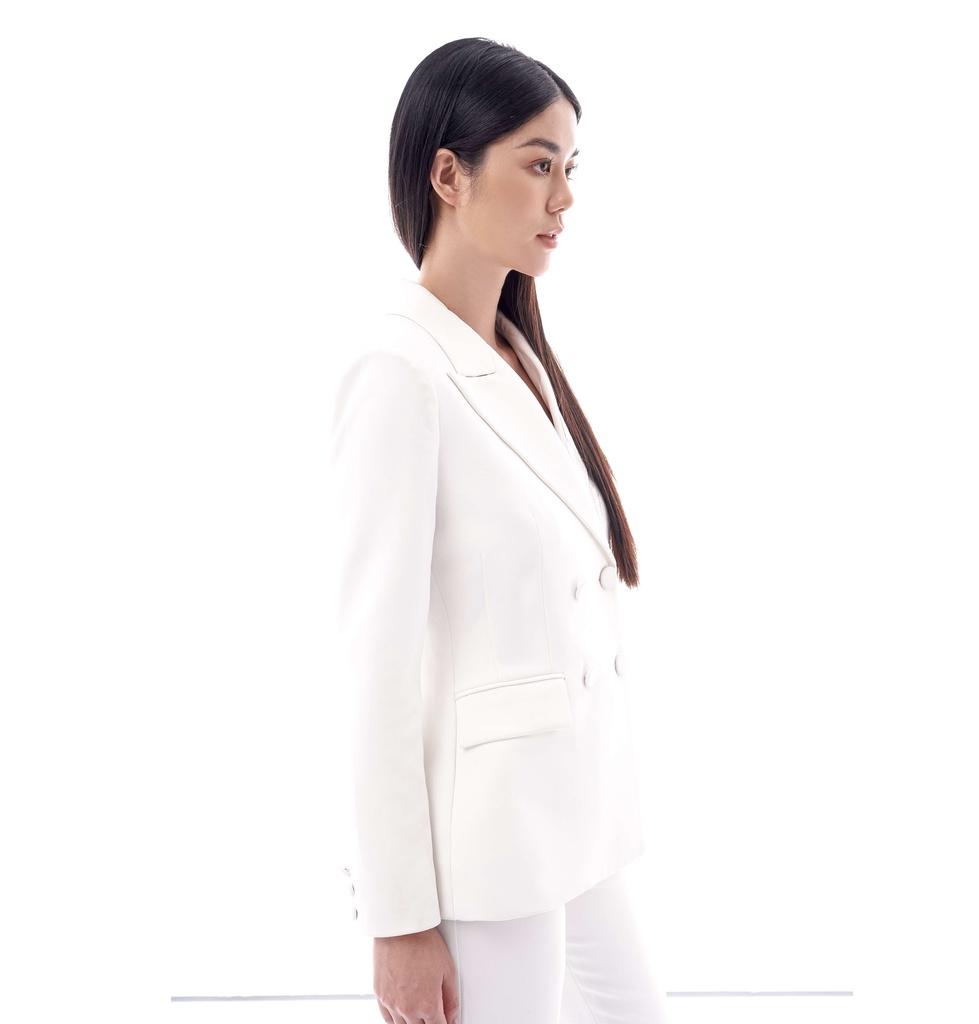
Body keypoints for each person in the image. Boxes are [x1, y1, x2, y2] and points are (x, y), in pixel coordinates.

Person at [330, 36, 672, 1024]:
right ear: (449, 174)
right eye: (537, 164)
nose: (563, 198)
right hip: (486, 850)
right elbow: (375, 669)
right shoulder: (398, 368)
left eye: (570, 169)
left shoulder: (517, 354)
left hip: (572, 817)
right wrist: (398, 920)